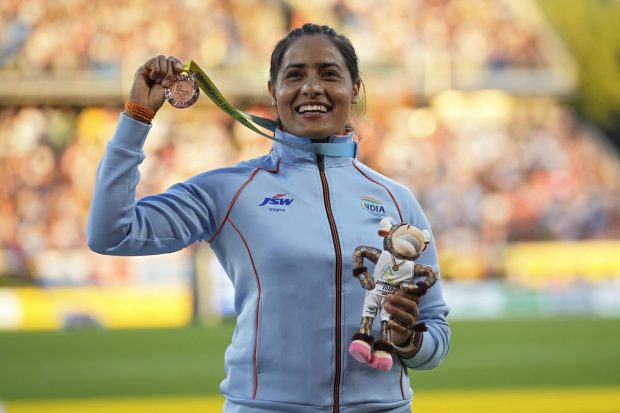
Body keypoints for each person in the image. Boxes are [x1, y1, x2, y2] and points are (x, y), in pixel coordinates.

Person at [87, 23, 450, 413]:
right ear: (273, 91)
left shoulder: (396, 199)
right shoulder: (230, 190)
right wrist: (137, 117)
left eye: (329, 73)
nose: (311, 87)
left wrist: (410, 340)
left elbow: (436, 338)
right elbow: (111, 233)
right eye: (294, 75)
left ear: (355, 89)